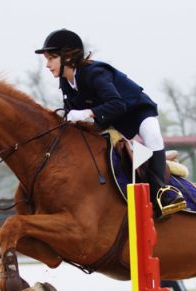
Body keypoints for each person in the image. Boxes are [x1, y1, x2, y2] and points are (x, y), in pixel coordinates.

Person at [34, 29, 186, 219]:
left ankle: (164, 192)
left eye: (51, 58)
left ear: (67, 57)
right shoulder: (66, 82)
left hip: (136, 113)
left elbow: (117, 104)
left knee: (152, 135)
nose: (47, 65)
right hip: (112, 122)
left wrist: (87, 112)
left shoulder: (94, 73)